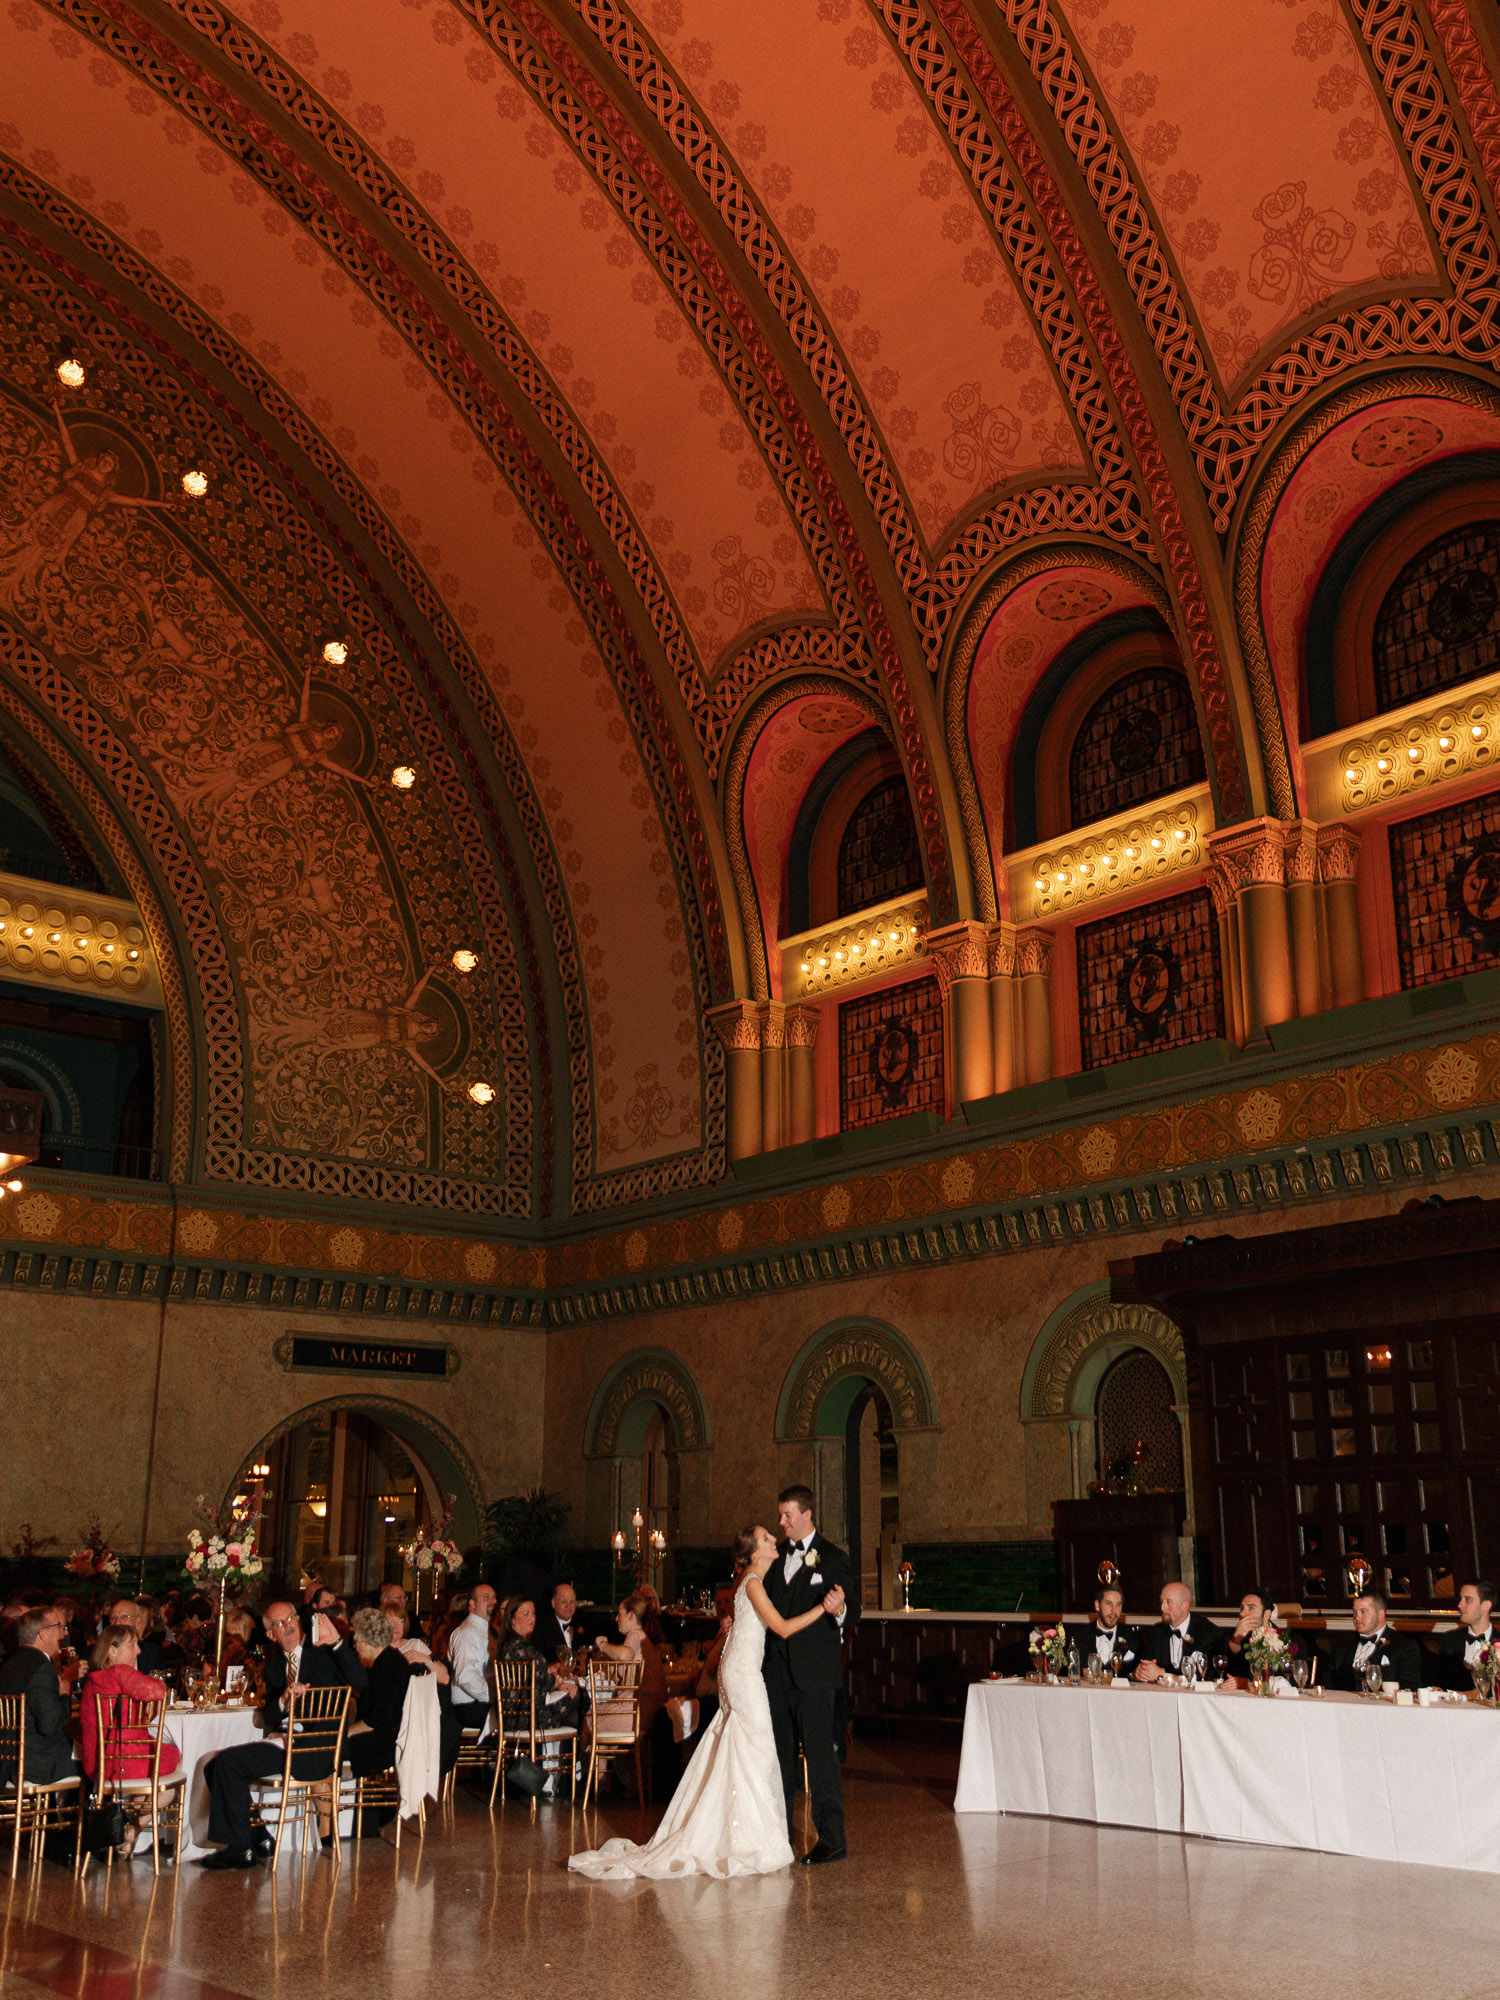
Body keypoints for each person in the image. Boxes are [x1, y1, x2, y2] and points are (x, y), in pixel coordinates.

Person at [570, 1524, 835, 1879]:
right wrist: (824, 1608)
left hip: (739, 1671)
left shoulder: (749, 1582)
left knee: (746, 1749)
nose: (776, 1541)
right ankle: (746, 1841)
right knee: (755, 1749)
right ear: (756, 1552)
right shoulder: (753, 1583)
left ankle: (743, 1834)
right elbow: (782, 1629)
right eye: (768, 1539)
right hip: (742, 1675)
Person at [198, 1601, 367, 1869]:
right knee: (213, 1765)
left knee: (230, 1762)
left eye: (290, 1619)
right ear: (270, 1635)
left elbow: (360, 1681)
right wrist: (282, 1703)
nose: (287, 1626)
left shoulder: (323, 1654)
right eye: (279, 1624)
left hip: (316, 1749)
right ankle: (260, 1837)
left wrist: (336, 1642)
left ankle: (239, 1848)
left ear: (299, 1621)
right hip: (285, 1744)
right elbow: (266, 1718)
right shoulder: (275, 1669)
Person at [762, 1483, 859, 1866]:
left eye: (788, 1515)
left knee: (820, 1759)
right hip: (777, 1675)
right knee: (779, 1759)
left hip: (816, 1676)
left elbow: (854, 1610)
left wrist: (839, 1609)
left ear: (807, 1514)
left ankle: (832, 1840)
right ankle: (780, 1836)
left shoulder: (833, 1557)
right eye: (781, 1514)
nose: (782, 1522)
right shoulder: (776, 1556)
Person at [345, 1607, 417, 1845]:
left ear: (367, 1640)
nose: (354, 1642)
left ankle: (340, 1822)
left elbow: (376, 1720)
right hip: (390, 1737)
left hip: (383, 1743)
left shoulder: (387, 1667)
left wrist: (344, 1734)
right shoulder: (390, 1660)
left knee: (326, 1750)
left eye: (356, 1637)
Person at [79, 1622, 181, 1784]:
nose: (138, 1651)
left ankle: (139, 1806)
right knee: (177, 1755)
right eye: (132, 1645)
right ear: (112, 1651)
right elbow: (155, 1691)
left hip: (97, 1763)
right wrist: (158, 1682)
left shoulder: (93, 1680)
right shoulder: (120, 1672)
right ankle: (148, 1808)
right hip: (126, 1759)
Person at [0, 1604, 81, 1784]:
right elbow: (49, 1725)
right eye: (59, 1627)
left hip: (9, 1762)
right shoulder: (41, 1668)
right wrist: (64, 1695)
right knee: (95, 1765)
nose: (64, 1633)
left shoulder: (9, 1665)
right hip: (37, 1765)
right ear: (43, 1633)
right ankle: (78, 1812)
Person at [591, 1593, 667, 1784]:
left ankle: (595, 1783)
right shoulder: (644, 1639)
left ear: (631, 1615)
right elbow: (624, 1672)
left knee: (589, 1722)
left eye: (620, 1614)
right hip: (648, 1712)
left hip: (636, 1716)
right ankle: (624, 1783)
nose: (617, 1619)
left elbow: (625, 1655)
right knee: (603, 1722)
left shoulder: (634, 1636)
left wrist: (602, 1644)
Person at [1328, 1589, 1424, 1692]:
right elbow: (1328, 1684)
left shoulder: (1404, 1646)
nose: (1357, 1618)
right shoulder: (1343, 1644)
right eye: (1354, 1612)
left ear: (1380, 1614)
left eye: (1363, 1612)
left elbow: (1410, 1689)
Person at [1133, 1582, 1221, 1680]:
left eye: (1168, 1602)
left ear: (1185, 1606)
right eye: (1161, 1601)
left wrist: (1162, 1674)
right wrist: (1140, 1672)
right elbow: (1146, 1666)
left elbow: (1205, 1677)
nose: (1162, 1608)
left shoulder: (1209, 1632)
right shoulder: (1156, 1632)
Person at [446, 1582, 496, 1743]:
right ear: (472, 1604)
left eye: (494, 1597)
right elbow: (465, 1676)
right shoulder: (467, 1632)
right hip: (468, 1707)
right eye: (486, 1597)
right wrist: (495, 1696)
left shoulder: (487, 1630)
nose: (492, 1601)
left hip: (480, 1702)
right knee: (518, 1717)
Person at [1435, 1579, 1497, 1689]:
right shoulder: (1449, 1640)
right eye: (1460, 1599)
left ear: (1486, 1606)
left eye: (1468, 1600)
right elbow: (1441, 1685)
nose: (1460, 1605)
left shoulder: (1498, 1642)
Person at [1084, 1583, 1137, 1673]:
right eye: (1109, 1604)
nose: (1113, 1611)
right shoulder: (1081, 1636)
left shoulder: (1133, 1637)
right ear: (1097, 1605)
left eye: (1118, 1605)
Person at [535, 1581, 581, 1662]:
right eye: (564, 1602)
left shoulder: (584, 1624)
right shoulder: (542, 1628)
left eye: (572, 1602)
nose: (568, 1606)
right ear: (553, 1603)